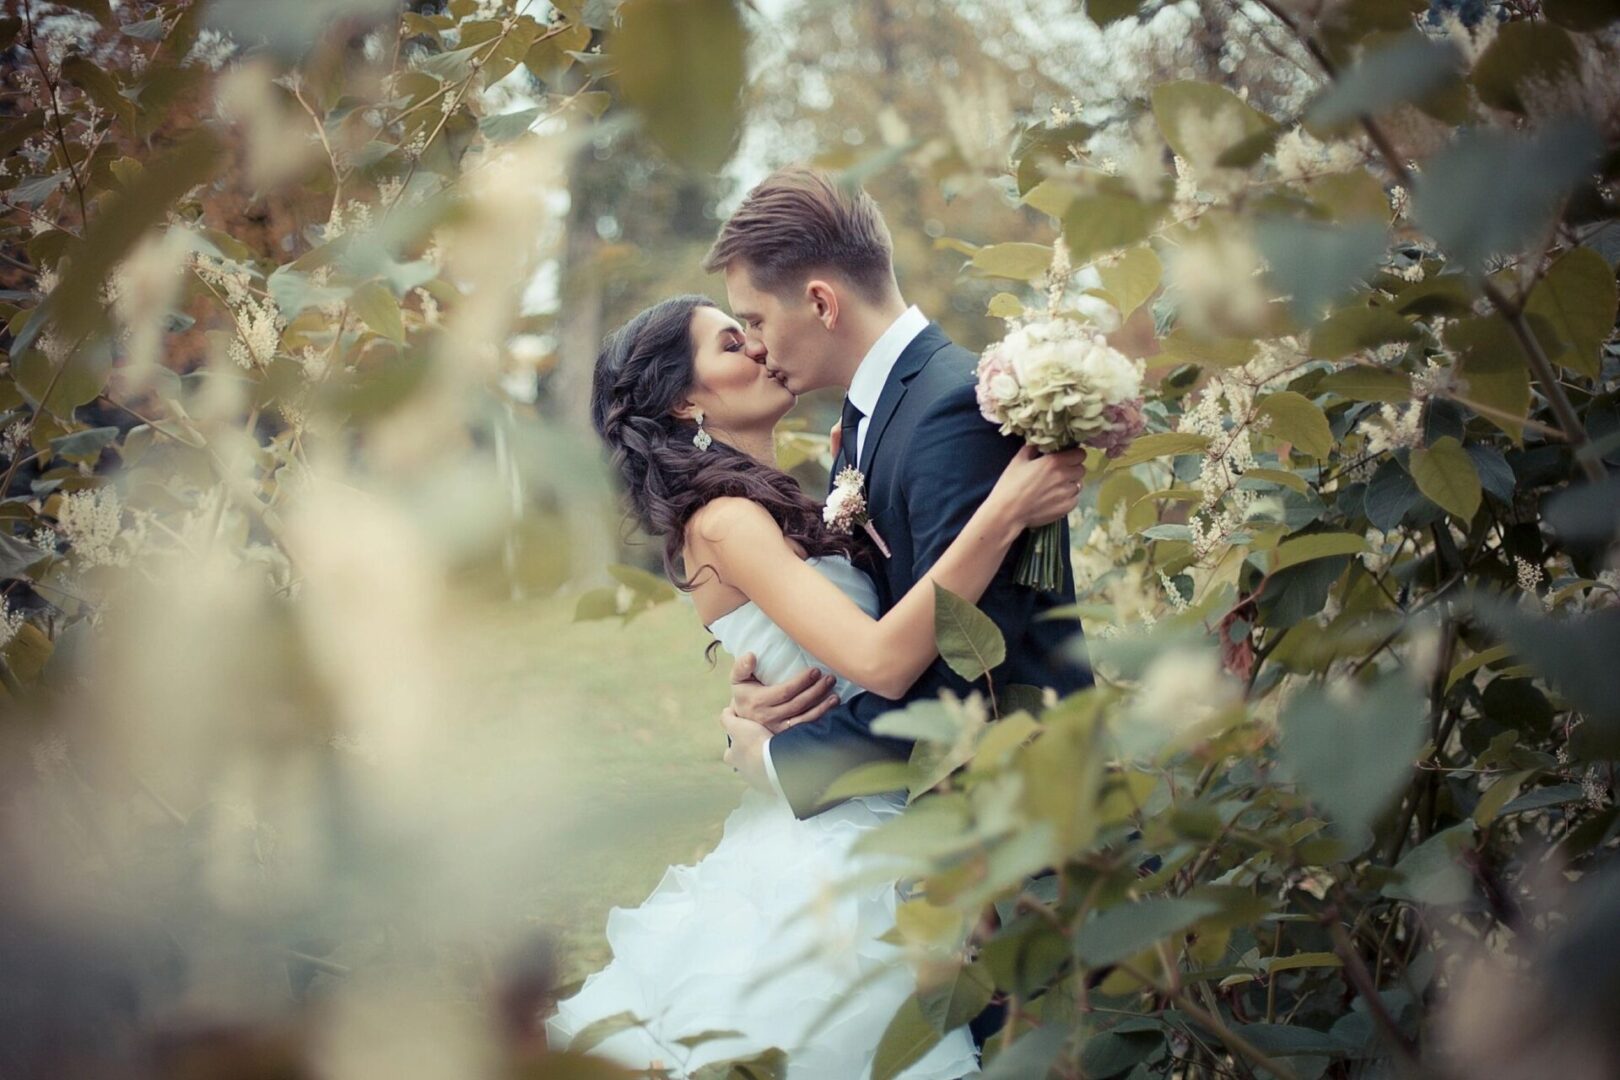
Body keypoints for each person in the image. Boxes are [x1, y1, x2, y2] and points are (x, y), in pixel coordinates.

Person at [544, 282, 1087, 1077]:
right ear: (686, 403)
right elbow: (880, 659)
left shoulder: (786, 497)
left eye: (751, 331)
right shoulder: (725, 522)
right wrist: (1003, 513)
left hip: (881, 796)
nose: (761, 347)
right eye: (732, 343)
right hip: (838, 834)